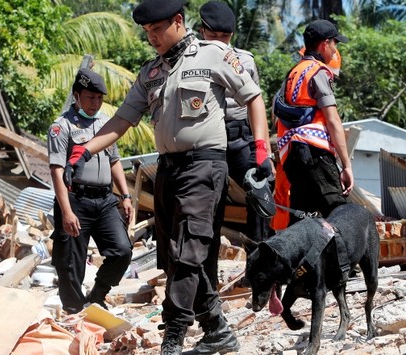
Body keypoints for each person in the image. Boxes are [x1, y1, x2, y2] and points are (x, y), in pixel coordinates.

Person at [64, 1, 271, 353]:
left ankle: (172, 336)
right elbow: (122, 121)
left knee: (188, 249)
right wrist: (84, 148)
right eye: (146, 32)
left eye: (156, 29)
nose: (151, 37)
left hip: (205, 165)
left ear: (178, 21)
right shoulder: (151, 72)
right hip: (168, 168)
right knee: (173, 255)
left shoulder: (215, 54)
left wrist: (261, 150)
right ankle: (217, 329)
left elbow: (253, 98)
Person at [197, 0, 272, 288]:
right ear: (203, 32)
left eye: (225, 38)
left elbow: (256, 104)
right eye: (214, 37)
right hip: (209, 139)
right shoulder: (191, 61)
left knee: (261, 196)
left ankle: (261, 273)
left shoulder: (246, 59)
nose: (220, 44)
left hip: (241, 137)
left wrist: (262, 148)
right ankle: (207, 280)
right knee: (209, 207)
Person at [48, 68, 133, 314]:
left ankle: (97, 295)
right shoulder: (61, 127)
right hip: (76, 200)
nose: (95, 103)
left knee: (122, 250)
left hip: (105, 200)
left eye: (99, 98)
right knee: (71, 263)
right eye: (90, 97)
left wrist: (126, 196)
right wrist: (66, 211)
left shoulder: (106, 123)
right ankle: (74, 310)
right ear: (77, 95)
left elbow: (114, 160)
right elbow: (56, 170)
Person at [274, 19, 352, 227]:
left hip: (290, 155)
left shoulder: (293, 73)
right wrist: (346, 165)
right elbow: (333, 121)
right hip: (314, 153)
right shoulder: (318, 72)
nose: (335, 50)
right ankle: (342, 260)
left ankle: (298, 259)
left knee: (301, 217)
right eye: (335, 44)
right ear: (325, 43)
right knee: (338, 211)